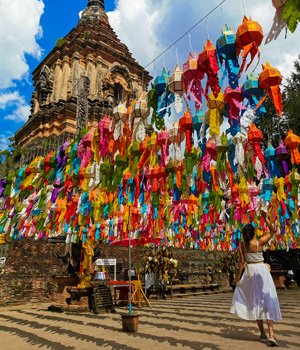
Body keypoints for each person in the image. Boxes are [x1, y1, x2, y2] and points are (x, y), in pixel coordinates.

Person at [230, 210, 282, 347]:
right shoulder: (259, 243)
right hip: (262, 272)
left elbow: (241, 263)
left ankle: (263, 334)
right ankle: (272, 335)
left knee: (255, 302)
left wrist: (237, 278)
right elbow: (273, 231)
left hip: (250, 272)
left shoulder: (242, 245)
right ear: (253, 233)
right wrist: (266, 218)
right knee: (267, 299)